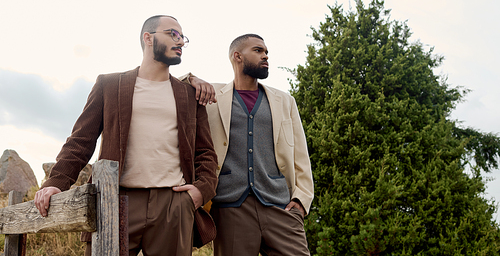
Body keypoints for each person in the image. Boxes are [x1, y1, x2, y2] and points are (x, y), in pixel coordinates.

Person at [34, 15, 218, 256]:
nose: (180, 41)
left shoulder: (189, 94)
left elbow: (205, 153)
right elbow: (81, 140)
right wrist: (55, 183)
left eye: (183, 37)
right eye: (173, 34)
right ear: (148, 38)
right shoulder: (109, 85)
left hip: (173, 204)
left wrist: (200, 191)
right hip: (115, 199)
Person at [188, 34, 314, 256]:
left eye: (266, 52)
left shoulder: (285, 101)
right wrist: (191, 79)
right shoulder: (212, 95)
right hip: (230, 208)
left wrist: (302, 199)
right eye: (258, 51)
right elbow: (171, 86)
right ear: (237, 56)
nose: (265, 56)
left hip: (280, 206)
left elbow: (300, 155)